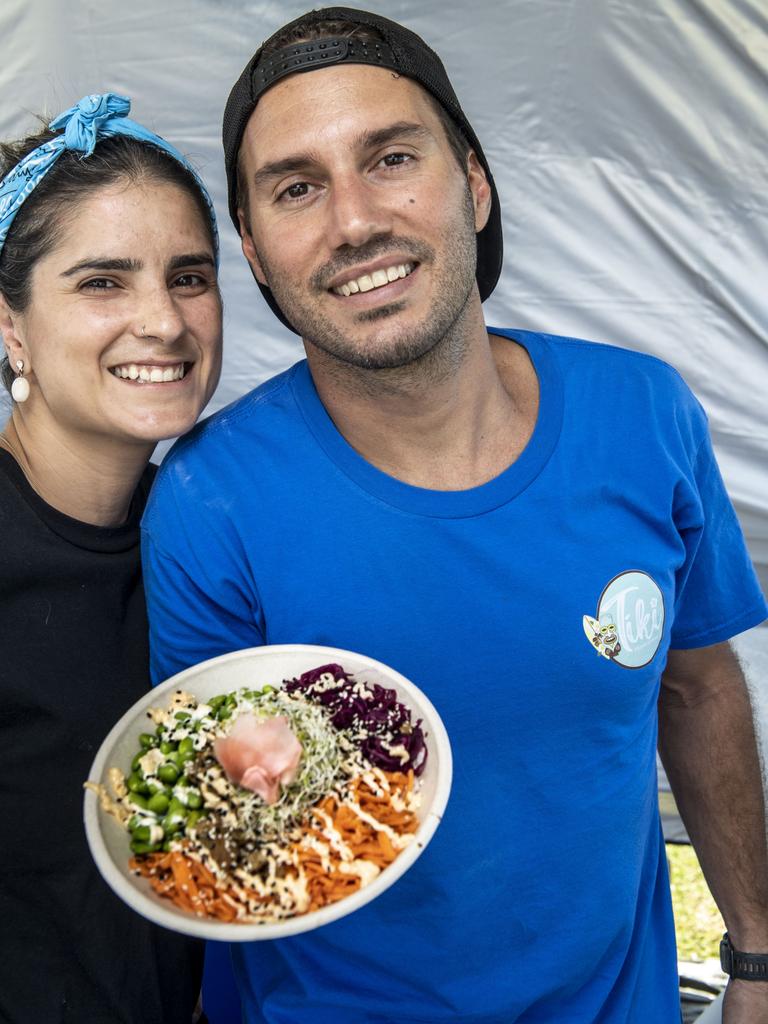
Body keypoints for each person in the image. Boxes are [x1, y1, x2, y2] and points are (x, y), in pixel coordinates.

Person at [141, 9, 768, 1024]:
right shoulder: (209, 502)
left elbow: (698, 692)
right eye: (298, 187)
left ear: (475, 184)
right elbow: (218, 839)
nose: (354, 222)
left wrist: (757, 954)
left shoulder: (644, 414)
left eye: (390, 158)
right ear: (254, 252)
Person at [0, 93, 222, 1023]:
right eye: (102, 282)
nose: (163, 322)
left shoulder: (214, 532)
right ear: (11, 326)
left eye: (189, 276)